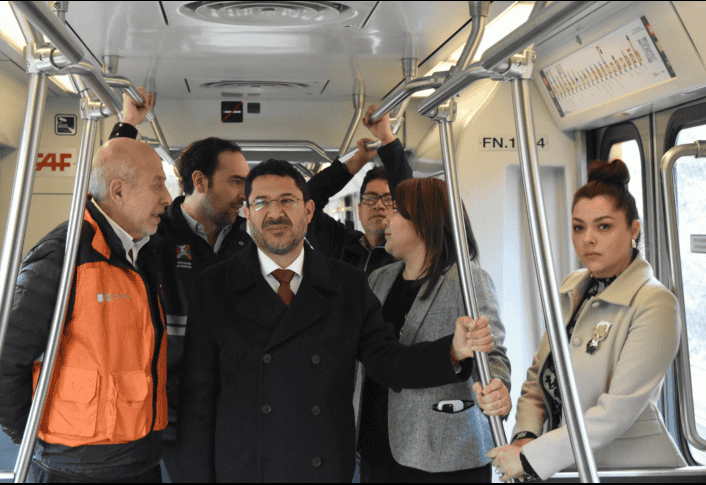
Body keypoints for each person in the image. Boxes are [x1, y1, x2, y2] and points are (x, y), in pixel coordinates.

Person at [174, 159, 497, 482]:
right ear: (247, 211)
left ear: (309, 210)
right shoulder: (214, 286)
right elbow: (199, 399)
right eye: (261, 202)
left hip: (324, 467)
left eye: (287, 200)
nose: (274, 213)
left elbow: (387, 361)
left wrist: (452, 351)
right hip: (244, 468)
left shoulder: (348, 284)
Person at [488, 160, 687, 481]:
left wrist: (529, 458)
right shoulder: (572, 287)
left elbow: (616, 412)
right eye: (579, 227)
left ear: (633, 229)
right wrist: (525, 435)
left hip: (628, 470)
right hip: (565, 467)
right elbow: (539, 378)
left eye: (603, 226)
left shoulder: (655, 302)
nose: (588, 239)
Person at [0, 137, 173, 482]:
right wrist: (30, 438)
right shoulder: (62, 256)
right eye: (157, 184)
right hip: (72, 468)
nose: (166, 198)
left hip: (141, 458)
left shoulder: (142, 252)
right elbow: (1, 357)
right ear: (118, 191)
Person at [108, 89, 252, 477]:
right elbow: (107, 198)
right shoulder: (155, 236)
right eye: (236, 182)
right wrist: (127, 127)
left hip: (234, 411)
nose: (245, 194)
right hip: (168, 413)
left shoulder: (248, 241)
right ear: (201, 181)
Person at [356, 177, 511, 483]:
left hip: (445, 455)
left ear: (424, 221)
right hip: (377, 447)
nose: (386, 217)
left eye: (397, 210)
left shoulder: (468, 280)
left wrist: (498, 388)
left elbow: (492, 354)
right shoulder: (379, 280)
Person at [307, 105, 413, 275]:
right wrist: (353, 165)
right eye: (370, 198)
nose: (378, 205)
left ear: (397, 209)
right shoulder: (341, 246)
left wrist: (386, 138)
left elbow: (409, 196)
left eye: (387, 199)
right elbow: (306, 200)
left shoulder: (406, 250)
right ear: (359, 208)